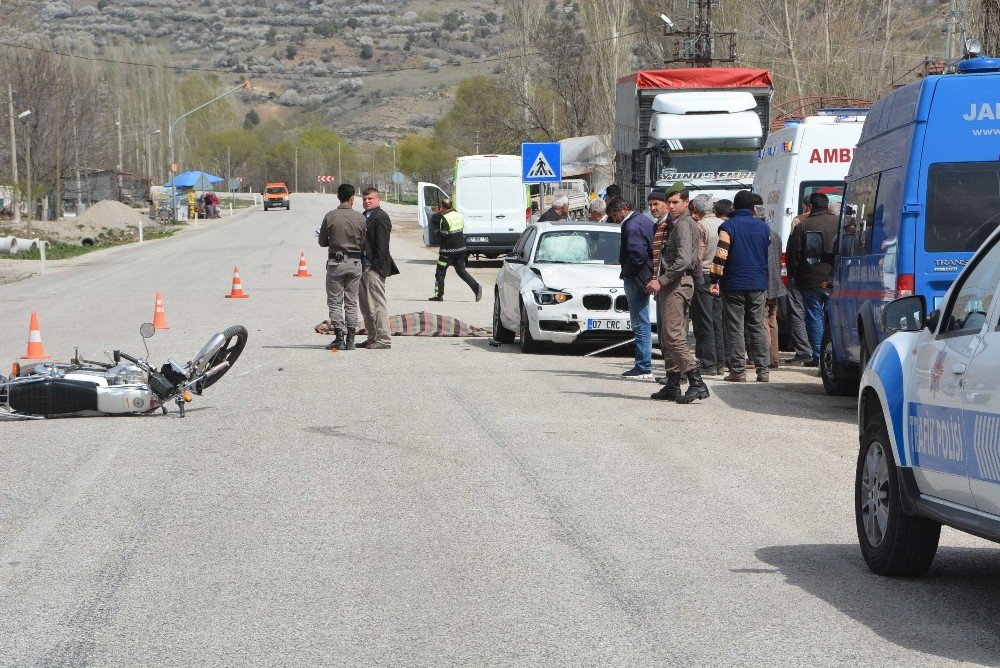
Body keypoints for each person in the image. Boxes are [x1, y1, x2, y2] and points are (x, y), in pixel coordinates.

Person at [647, 186, 708, 403]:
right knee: (666, 336)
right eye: (669, 203)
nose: (671, 207)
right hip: (672, 284)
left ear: (685, 201)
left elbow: (683, 260)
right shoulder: (676, 223)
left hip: (677, 283)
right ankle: (672, 384)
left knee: (674, 335)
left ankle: (696, 382)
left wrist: (660, 281)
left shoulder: (683, 224)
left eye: (675, 202)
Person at [710, 190, 772, 382]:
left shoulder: (728, 227)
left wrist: (714, 279)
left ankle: (738, 370)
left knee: (735, 327)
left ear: (734, 207)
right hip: (758, 283)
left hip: (734, 283)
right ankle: (763, 371)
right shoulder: (764, 228)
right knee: (757, 326)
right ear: (752, 208)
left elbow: (721, 255)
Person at [786, 192, 839, 367]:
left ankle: (819, 357)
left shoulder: (802, 226)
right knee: (836, 317)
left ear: (810, 206)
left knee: (814, 317)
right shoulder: (839, 223)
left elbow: (793, 254)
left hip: (809, 279)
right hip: (836, 278)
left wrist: (794, 274)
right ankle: (837, 355)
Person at [608, 198, 655, 378]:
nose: (615, 218)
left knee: (639, 321)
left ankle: (643, 365)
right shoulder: (643, 220)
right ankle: (644, 363)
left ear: (625, 209)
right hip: (644, 275)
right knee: (642, 320)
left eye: (615, 214)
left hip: (637, 277)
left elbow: (637, 255)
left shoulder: (632, 225)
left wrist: (626, 272)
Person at [319, 183, 368, 351]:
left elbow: (322, 242)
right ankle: (351, 339)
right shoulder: (361, 218)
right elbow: (364, 242)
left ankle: (340, 338)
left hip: (336, 264)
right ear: (352, 198)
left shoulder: (330, 216)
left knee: (335, 301)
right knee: (351, 302)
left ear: (338, 197)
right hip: (355, 264)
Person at [688, 193, 725, 375]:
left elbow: (697, 255)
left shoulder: (700, 226)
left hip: (704, 275)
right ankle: (720, 361)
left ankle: (707, 362)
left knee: (703, 320)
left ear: (696, 210)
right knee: (717, 319)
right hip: (720, 275)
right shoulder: (722, 224)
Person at [358, 187, 399, 350]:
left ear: (378, 200)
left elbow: (382, 246)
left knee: (377, 305)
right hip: (363, 268)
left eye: (370, 198)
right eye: (365, 199)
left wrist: (376, 267)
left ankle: (383, 339)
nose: (367, 201)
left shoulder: (381, 217)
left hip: (373, 269)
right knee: (366, 306)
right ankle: (372, 336)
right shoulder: (365, 216)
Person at [428, 196, 482, 302]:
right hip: (461, 249)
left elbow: (445, 234)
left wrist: (436, 232)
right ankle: (476, 287)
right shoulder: (458, 215)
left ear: (442, 207)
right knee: (462, 272)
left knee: (440, 273)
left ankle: (439, 295)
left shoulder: (444, 219)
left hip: (447, 252)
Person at [784, 195, 815, 365]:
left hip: (801, 274)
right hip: (825, 276)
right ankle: (818, 349)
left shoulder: (799, 221)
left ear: (805, 206)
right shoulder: (835, 220)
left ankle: (804, 350)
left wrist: (791, 272)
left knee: (797, 312)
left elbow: (793, 247)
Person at [765, 227, 787, 369]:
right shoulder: (776, 235)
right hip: (776, 283)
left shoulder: (762, 235)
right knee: (772, 320)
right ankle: (774, 357)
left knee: (763, 321)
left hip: (765, 284)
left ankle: (766, 358)